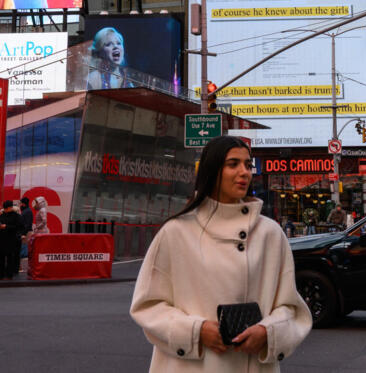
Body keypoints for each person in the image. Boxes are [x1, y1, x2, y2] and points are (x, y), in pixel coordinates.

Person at [130, 136, 311, 371]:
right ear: (212, 170)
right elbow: (147, 305)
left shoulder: (271, 234)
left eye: (248, 165)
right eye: (233, 164)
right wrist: (196, 331)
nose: (244, 172)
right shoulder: (176, 232)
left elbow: (289, 307)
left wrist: (268, 331)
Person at [0, 200, 22, 280]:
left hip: (11, 239)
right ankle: (1, 274)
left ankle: (9, 274)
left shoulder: (16, 216)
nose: (6, 210)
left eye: (7, 208)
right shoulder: (2, 216)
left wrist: (6, 226)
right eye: (5, 208)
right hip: (2, 239)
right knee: (1, 258)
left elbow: (18, 227)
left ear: (11, 208)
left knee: (10, 258)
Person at [19, 197, 34, 270]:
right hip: (26, 232)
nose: (20, 204)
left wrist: (23, 234)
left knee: (24, 250)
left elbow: (27, 224)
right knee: (24, 250)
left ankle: (23, 267)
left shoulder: (27, 212)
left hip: (26, 233)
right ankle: (22, 266)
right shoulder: (26, 210)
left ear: (23, 204)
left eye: (21, 203)